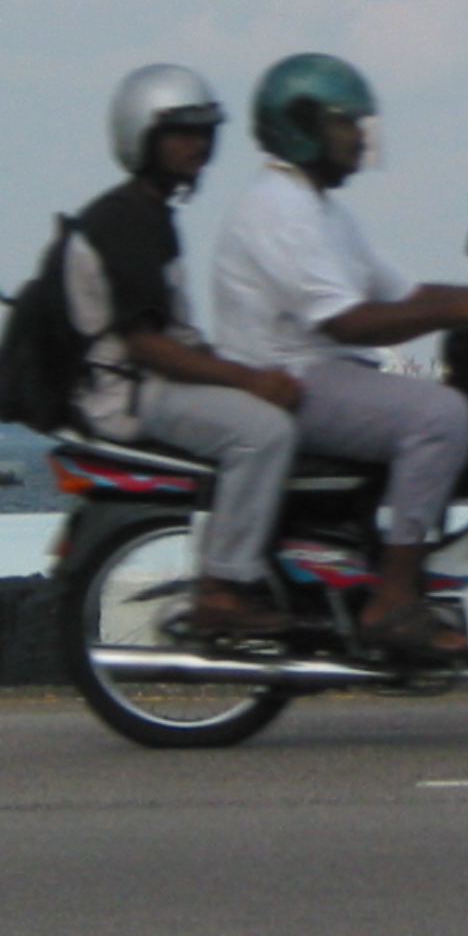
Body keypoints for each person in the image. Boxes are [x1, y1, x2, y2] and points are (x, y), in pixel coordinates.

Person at [211, 53, 468, 659]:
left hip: (322, 371)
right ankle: (393, 597)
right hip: (290, 377)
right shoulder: (279, 209)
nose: (359, 136)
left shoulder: (324, 210)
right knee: (440, 416)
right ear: (303, 125)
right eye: (345, 123)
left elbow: (408, 295)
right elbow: (350, 321)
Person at [66, 66, 304, 635]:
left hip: (144, 383)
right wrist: (248, 382)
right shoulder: (127, 222)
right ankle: (224, 587)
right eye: (180, 133)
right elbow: (150, 347)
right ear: (142, 138)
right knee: (265, 432)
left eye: (203, 132)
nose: (196, 145)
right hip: (129, 394)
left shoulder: (146, 213)